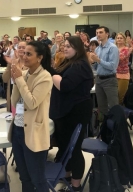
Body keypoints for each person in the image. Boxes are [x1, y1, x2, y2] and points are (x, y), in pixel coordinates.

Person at [9, 41, 54, 191]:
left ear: (39, 58)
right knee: (24, 177)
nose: (25, 56)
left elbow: (32, 103)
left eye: (29, 54)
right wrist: (16, 79)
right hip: (17, 129)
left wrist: (20, 80)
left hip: (33, 132)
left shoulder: (45, 77)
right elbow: (14, 102)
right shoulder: (25, 73)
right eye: (24, 53)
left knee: (37, 179)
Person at [51, 37, 94, 192]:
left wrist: (52, 75)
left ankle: (75, 186)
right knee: (64, 146)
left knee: (74, 149)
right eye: (65, 46)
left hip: (76, 111)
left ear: (78, 48)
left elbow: (64, 85)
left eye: (69, 46)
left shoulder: (80, 65)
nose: (65, 48)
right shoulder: (69, 62)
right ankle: (68, 175)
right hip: (66, 111)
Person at [89, 26, 119, 115]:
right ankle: (105, 126)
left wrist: (98, 60)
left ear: (107, 34)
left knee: (113, 106)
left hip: (109, 79)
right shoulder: (98, 49)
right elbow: (97, 68)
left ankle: (115, 127)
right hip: (99, 80)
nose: (98, 34)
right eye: (97, 33)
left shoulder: (112, 48)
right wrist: (93, 62)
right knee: (101, 106)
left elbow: (112, 66)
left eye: (101, 32)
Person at [114, 33, 131, 104]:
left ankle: (122, 113)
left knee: (121, 96)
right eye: (118, 38)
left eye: (121, 38)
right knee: (114, 95)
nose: (119, 39)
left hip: (123, 75)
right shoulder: (114, 48)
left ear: (124, 40)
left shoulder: (126, 49)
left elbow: (120, 58)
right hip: (114, 74)